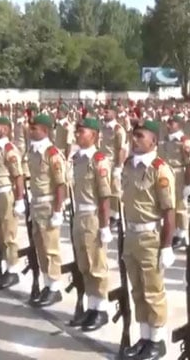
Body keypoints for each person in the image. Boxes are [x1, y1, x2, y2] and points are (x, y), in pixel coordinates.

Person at [120, 116, 175, 360]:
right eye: (134, 135)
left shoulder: (159, 169)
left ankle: (157, 340)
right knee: (138, 290)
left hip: (150, 235)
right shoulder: (129, 165)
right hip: (131, 234)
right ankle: (144, 337)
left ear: (154, 141)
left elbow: (168, 210)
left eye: (140, 136)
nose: (135, 139)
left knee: (153, 291)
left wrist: (167, 245)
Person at [71, 116, 113, 331]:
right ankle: (92, 306)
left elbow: (104, 196)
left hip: (93, 216)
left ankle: (102, 309)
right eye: (77, 131)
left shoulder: (99, 160)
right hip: (79, 215)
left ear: (94, 135)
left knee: (96, 265)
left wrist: (105, 226)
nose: (77, 134)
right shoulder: (78, 158)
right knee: (84, 265)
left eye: (82, 131)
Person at [27, 113, 67, 306]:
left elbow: (61, 184)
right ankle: (47, 284)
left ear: (44, 130)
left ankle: (55, 288)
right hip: (36, 204)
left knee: (50, 248)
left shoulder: (52, 154)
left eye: (34, 128)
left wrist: (58, 211)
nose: (30, 130)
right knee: (40, 247)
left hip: (49, 204)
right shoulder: (33, 151)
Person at [0, 115, 25, 289]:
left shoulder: (9, 149)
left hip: (5, 195)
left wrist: (19, 200)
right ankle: (3, 267)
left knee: (9, 235)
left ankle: (13, 271)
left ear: (6, 129)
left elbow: (18, 176)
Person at [159, 113, 190, 249]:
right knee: (168, 204)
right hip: (166, 173)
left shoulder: (184, 141)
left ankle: (182, 233)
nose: (168, 125)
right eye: (168, 123)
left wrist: (187, 183)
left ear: (178, 125)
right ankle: (171, 231)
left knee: (180, 206)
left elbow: (189, 164)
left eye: (171, 123)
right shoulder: (166, 139)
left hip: (178, 174)